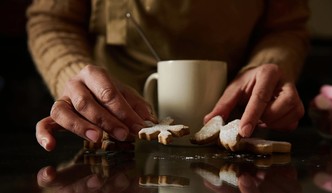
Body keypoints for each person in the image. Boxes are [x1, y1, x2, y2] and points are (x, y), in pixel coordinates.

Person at [27, 0, 310, 151]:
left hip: (237, 132)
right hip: (112, 132)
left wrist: (268, 65)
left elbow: (285, 26)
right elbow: (53, 19)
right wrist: (73, 75)